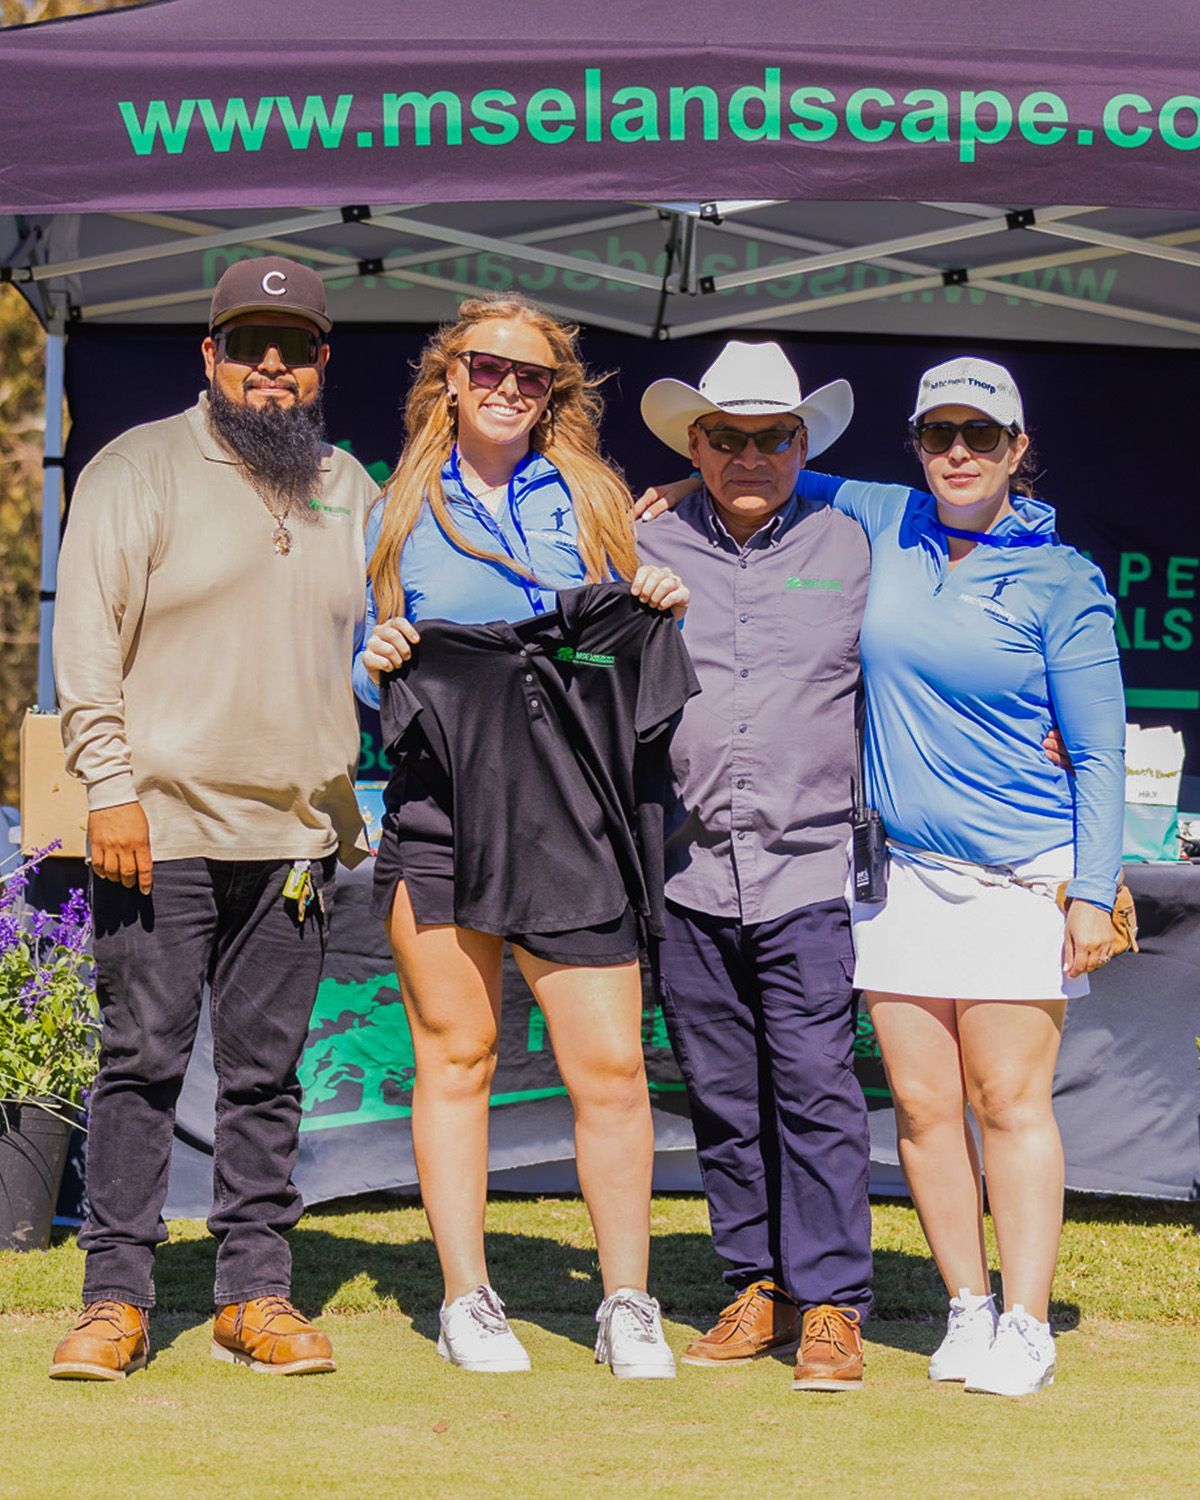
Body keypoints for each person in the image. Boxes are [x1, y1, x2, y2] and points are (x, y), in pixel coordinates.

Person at [640, 353, 1126, 1399]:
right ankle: (959, 1308)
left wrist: (1095, 883)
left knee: (999, 1100)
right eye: (941, 434)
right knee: (910, 1104)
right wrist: (684, 485)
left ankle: (1011, 1318)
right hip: (891, 878)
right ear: (915, 444)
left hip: (990, 873)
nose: (960, 452)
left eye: (982, 436)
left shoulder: (1060, 576)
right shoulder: (879, 516)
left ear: (1016, 449)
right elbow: (760, 476)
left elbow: (1098, 751)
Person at [50, 257, 376, 1381]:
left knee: (266, 1072)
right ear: (210, 355)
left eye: (293, 346)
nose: (271, 366)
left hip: (293, 839)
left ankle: (254, 1294)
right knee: (141, 1062)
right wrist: (108, 788)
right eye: (249, 344)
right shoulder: (136, 467)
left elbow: (386, 640)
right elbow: (85, 642)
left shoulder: (349, 485)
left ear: (324, 363)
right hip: (160, 826)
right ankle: (114, 1297)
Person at [353, 295, 690, 1380]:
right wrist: (377, 664)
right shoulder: (396, 510)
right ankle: (467, 1298)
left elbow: (624, 649)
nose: (508, 388)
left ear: (557, 393)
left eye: (532, 375)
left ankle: (627, 1301)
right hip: (440, 813)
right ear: (449, 375)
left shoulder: (592, 500)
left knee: (612, 1070)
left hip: (573, 818)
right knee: (457, 1059)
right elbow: (363, 673)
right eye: (489, 368)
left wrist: (651, 597)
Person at [636, 340, 875, 1392]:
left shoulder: (859, 539)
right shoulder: (639, 546)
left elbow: (987, 504)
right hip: (688, 871)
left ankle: (831, 1303)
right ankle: (758, 1286)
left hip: (811, 864)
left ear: (803, 443)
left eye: (773, 437)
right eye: (725, 438)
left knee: (817, 1089)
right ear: (695, 442)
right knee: (724, 1095)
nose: (748, 455)